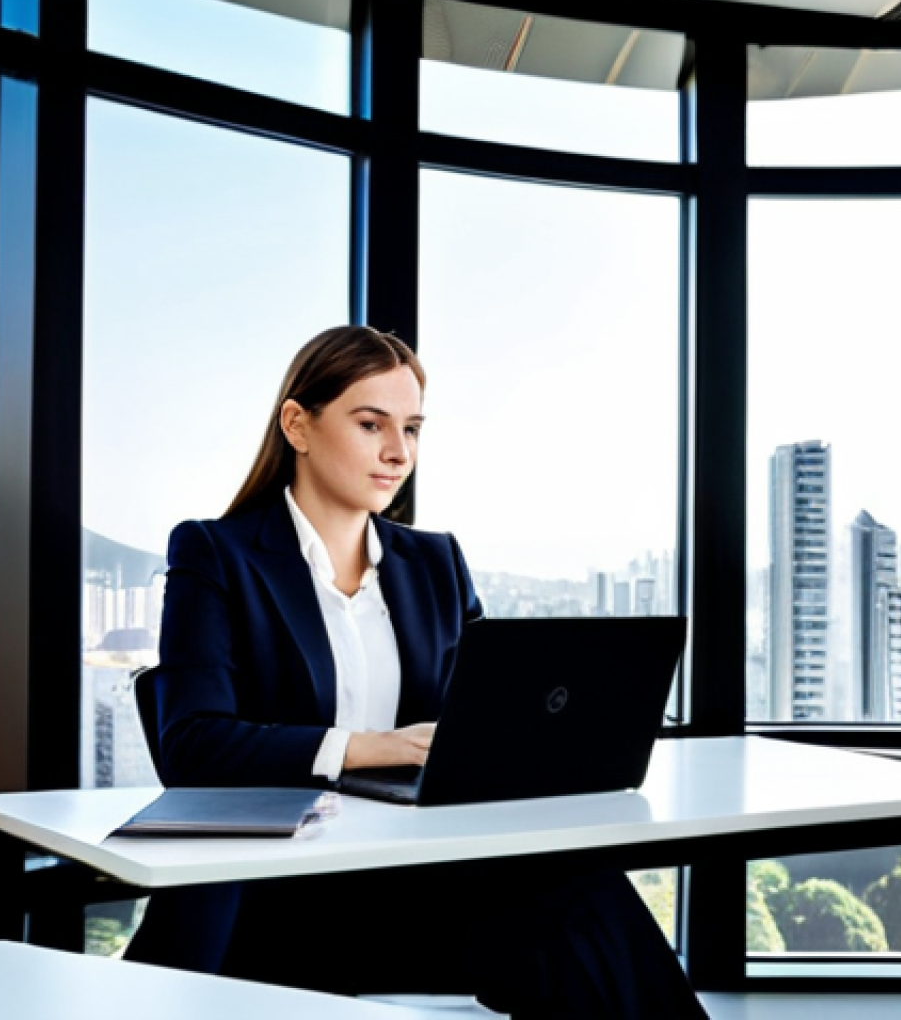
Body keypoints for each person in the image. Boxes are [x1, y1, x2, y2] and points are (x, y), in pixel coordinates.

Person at [125, 325, 709, 1020]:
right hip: (276, 895)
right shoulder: (215, 554)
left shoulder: (436, 562)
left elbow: (487, 716)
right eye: (371, 424)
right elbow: (194, 744)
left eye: (412, 428)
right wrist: (368, 747)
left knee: (581, 891)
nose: (399, 452)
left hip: (416, 883)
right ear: (297, 425)